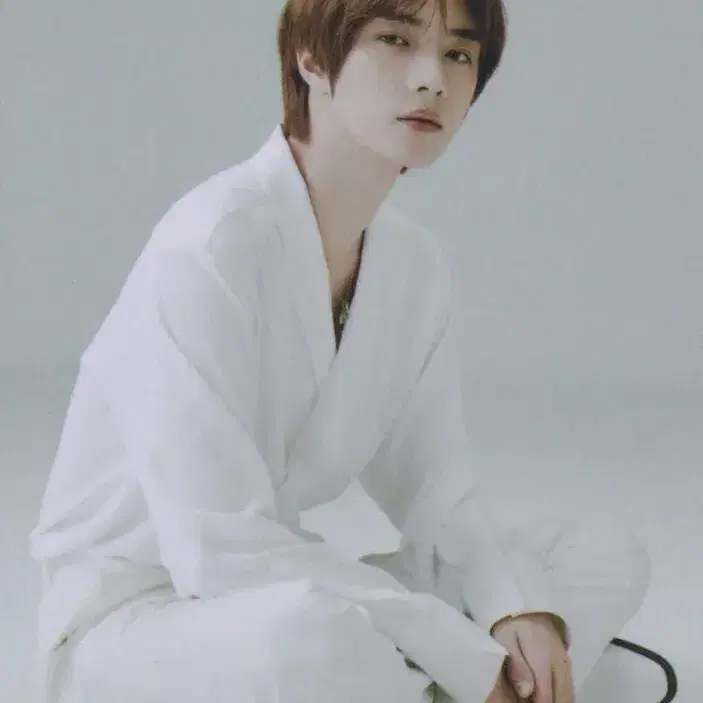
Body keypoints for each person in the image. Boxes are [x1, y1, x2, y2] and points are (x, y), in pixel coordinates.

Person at [28, 0, 650, 701]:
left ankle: (462, 680)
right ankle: (497, 684)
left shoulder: (413, 264)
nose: (432, 79)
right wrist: (455, 647)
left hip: (281, 584)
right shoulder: (210, 244)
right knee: (306, 638)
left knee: (599, 553)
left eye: (458, 53)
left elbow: (439, 499)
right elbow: (215, 549)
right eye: (395, 40)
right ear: (311, 57)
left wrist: (512, 609)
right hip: (140, 619)